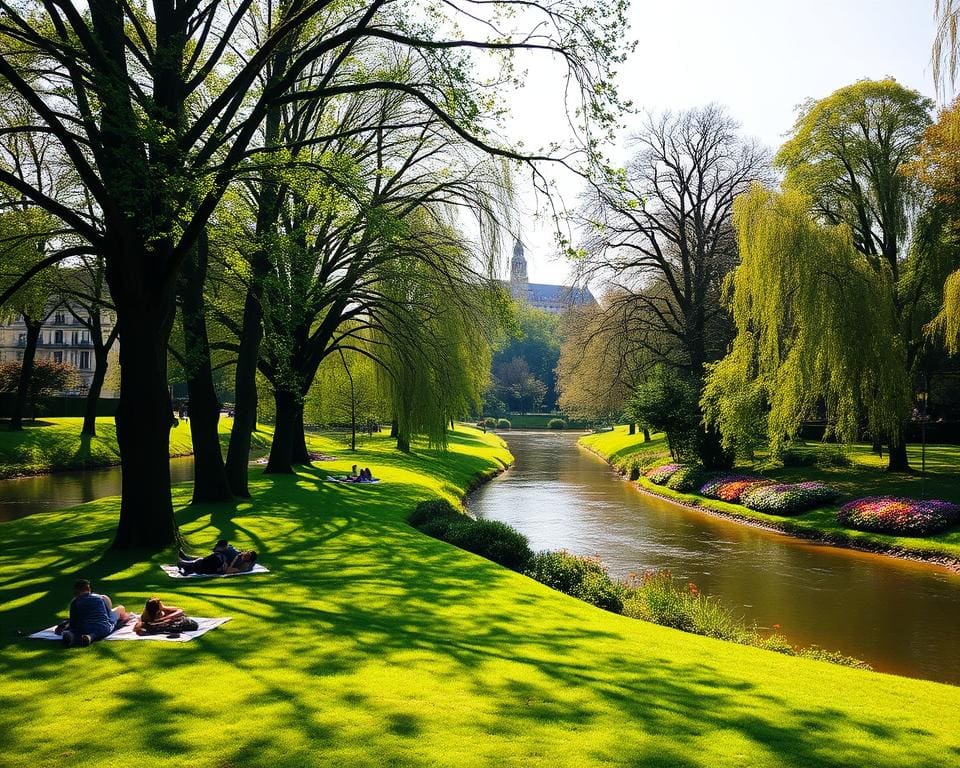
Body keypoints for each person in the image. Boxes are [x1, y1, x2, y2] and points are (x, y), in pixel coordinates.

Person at [55, 579, 132, 647]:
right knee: (120, 608)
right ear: (89, 588)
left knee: (82, 629)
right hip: (103, 627)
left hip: (84, 628)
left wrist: (66, 627)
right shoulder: (100, 598)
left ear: (76, 590)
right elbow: (108, 614)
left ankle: (75, 636)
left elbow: (73, 622)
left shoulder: (75, 602)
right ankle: (89, 637)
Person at [178, 541, 258, 575]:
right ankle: (188, 563)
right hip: (221, 557)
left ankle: (187, 564)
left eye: (248, 555)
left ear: (248, 560)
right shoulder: (241, 555)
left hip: (221, 563)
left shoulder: (244, 566)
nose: (245, 553)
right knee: (209, 559)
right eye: (247, 552)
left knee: (208, 562)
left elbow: (228, 571)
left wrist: (235, 559)